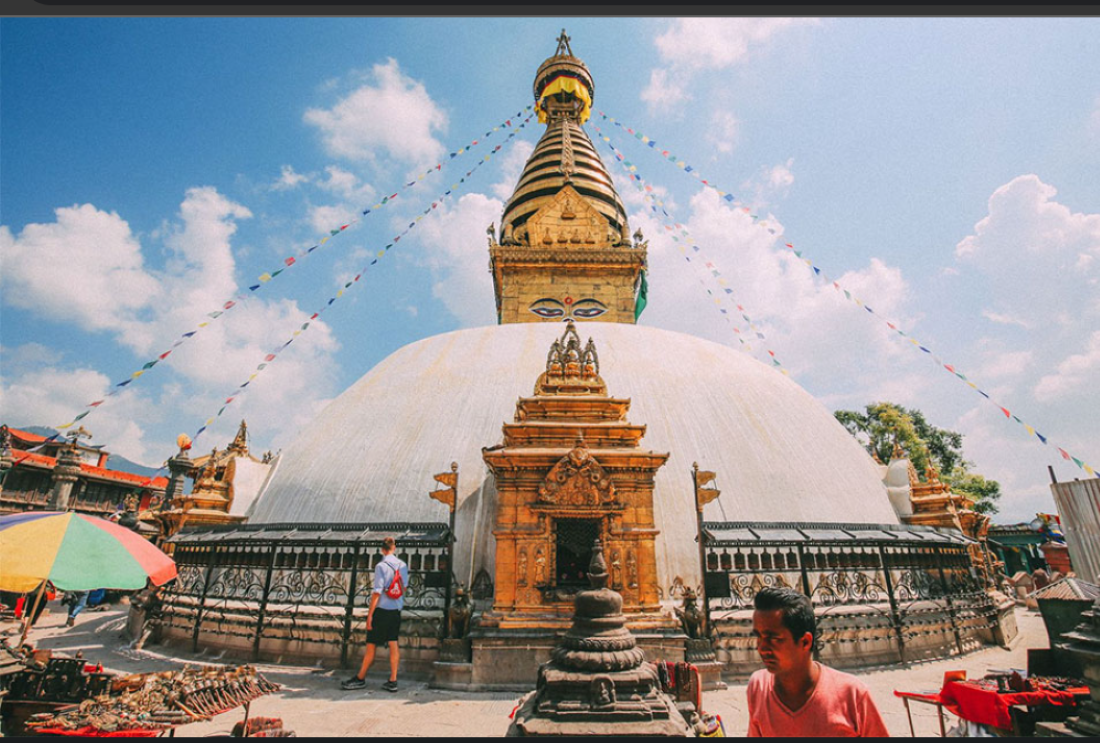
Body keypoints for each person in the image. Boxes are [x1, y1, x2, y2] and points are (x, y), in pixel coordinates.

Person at [747, 587, 889, 737]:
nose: (762, 648)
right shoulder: (758, 687)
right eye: (759, 637)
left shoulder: (852, 695)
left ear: (805, 642)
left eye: (774, 639)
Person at [341, 537, 409, 693]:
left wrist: (370, 615)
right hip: (396, 611)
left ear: (382, 550)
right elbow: (404, 588)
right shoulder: (402, 565)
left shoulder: (381, 566)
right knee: (393, 644)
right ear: (394, 548)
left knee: (371, 645)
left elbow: (377, 592)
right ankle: (393, 680)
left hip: (381, 611)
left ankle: (360, 677)